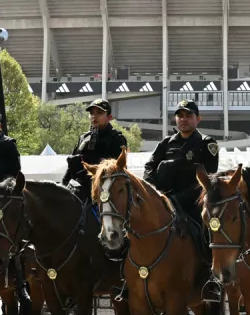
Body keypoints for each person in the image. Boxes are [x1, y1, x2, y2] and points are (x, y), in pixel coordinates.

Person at [145, 100, 220, 299]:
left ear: (198, 119)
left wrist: (178, 198)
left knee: (208, 231)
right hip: (163, 201)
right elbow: (149, 168)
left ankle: (211, 281)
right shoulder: (166, 143)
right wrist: (153, 193)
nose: (183, 120)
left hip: (193, 203)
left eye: (188, 116)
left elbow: (207, 178)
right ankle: (130, 279)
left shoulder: (206, 143)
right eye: (180, 116)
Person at [63, 99, 128, 200]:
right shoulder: (83, 138)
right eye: (91, 113)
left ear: (109, 117)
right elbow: (71, 164)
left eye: (100, 113)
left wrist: (92, 162)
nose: (94, 116)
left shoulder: (116, 139)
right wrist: (64, 185)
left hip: (105, 189)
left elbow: (119, 169)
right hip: (79, 188)